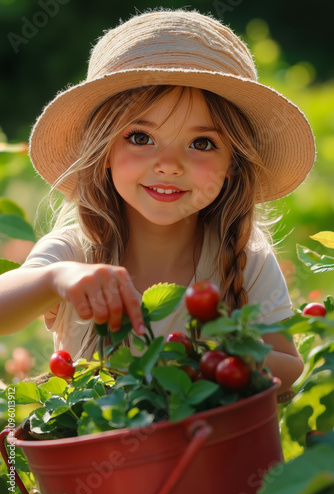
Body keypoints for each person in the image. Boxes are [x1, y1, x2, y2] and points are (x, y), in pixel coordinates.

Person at [0, 9, 315, 400]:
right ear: (105, 151)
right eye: (141, 137)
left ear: (233, 163)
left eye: (202, 143)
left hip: (214, 455)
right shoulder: (78, 251)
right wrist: (54, 279)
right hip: (92, 450)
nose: (168, 165)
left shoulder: (243, 256)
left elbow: (289, 367)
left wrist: (202, 361)